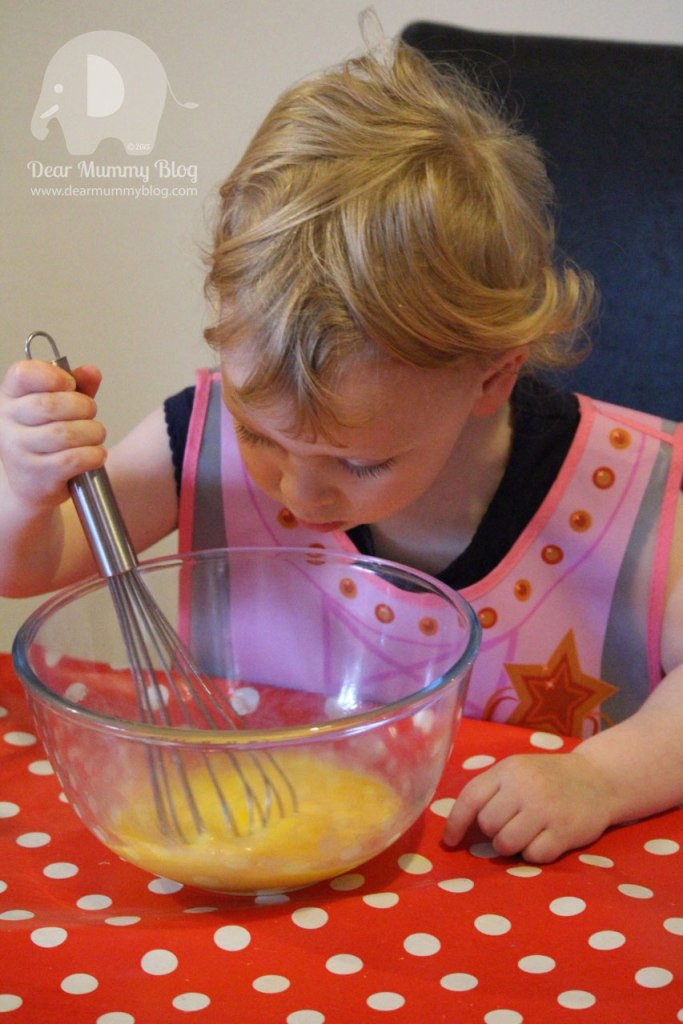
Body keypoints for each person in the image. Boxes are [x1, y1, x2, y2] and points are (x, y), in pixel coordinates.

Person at [1, 38, 681, 865]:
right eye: (260, 433)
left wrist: (598, 780)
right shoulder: (201, 439)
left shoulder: (636, 497)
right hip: (228, 883)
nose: (296, 492)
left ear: (491, 378)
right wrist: (27, 491)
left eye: (359, 464)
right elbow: (30, 570)